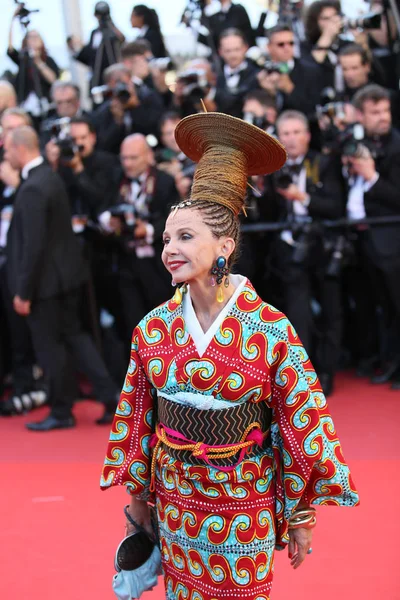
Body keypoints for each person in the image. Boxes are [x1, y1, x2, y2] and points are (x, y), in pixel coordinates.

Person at [101, 112, 359, 600]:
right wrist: (138, 514)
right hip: (176, 502)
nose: (169, 250)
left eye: (185, 237)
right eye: (166, 239)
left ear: (225, 245)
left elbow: (303, 422)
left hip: (245, 499)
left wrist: (302, 515)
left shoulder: (268, 328)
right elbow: (134, 423)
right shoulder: (151, 329)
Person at [4, 126, 119, 430]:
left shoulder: (33, 187)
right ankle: (110, 397)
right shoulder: (48, 177)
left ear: (18, 148)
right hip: (65, 278)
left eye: (5, 150)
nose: (4, 155)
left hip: (45, 284)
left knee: (49, 346)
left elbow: (33, 245)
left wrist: (23, 291)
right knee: (75, 337)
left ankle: (61, 410)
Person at [270, 110, 346, 396]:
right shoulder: (273, 167)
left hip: (324, 247)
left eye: (295, 132)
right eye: (285, 133)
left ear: (307, 135)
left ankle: (327, 372)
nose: (290, 139)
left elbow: (335, 206)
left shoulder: (324, 163)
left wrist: (301, 197)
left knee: (330, 311)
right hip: (290, 249)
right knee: (298, 315)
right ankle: (305, 375)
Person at [100, 133, 178, 342]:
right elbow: (102, 208)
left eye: (133, 158)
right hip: (126, 262)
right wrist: (109, 221)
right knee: (134, 324)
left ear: (148, 156)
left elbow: (174, 219)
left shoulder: (164, 182)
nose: (127, 163)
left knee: (164, 322)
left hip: (157, 265)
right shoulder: (116, 178)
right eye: (124, 158)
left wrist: (149, 230)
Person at [92, 64, 164, 154]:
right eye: (115, 83)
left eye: (123, 82)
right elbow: (103, 145)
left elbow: (157, 129)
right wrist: (118, 121)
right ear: (108, 86)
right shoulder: (104, 111)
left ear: (130, 80)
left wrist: (136, 107)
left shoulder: (149, 98)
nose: (120, 87)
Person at [258, 24, 323, 117]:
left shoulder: (310, 71)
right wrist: (269, 93)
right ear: (269, 47)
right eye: (281, 44)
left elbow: (313, 111)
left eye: (291, 43)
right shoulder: (260, 74)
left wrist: (290, 89)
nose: (287, 48)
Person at [7, 6, 60, 116]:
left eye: (36, 37)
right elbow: (10, 48)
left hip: (45, 105)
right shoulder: (23, 59)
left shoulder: (48, 60)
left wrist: (38, 61)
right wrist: (13, 19)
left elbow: (53, 79)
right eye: (30, 37)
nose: (33, 39)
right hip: (26, 105)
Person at [68, 1, 125, 88]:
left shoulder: (114, 33)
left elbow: (122, 43)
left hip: (115, 77)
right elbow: (90, 55)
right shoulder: (96, 33)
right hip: (99, 79)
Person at [215, 28, 259, 118]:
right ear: (220, 52)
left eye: (237, 49)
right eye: (228, 51)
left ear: (245, 48)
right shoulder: (214, 76)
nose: (233, 55)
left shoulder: (257, 73)